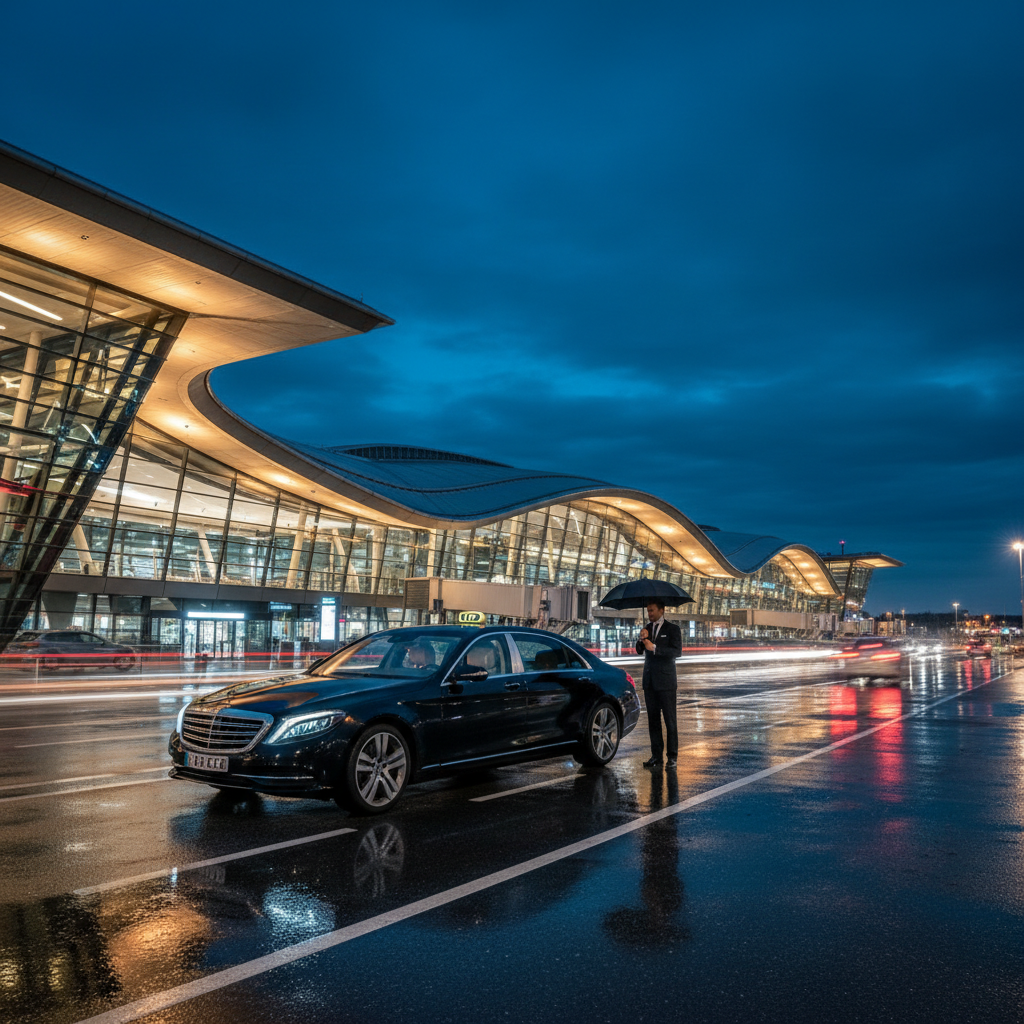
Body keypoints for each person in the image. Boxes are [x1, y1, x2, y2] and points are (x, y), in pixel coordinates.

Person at [636, 600, 682, 769]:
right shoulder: (647, 628)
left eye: (652, 610)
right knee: (653, 721)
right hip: (650, 682)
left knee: (670, 721)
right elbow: (639, 650)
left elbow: (677, 652)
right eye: (648, 611)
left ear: (662, 610)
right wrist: (641, 639)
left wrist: (655, 648)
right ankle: (656, 756)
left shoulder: (672, 629)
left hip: (666, 682)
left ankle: (672, 757)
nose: (650, 614)